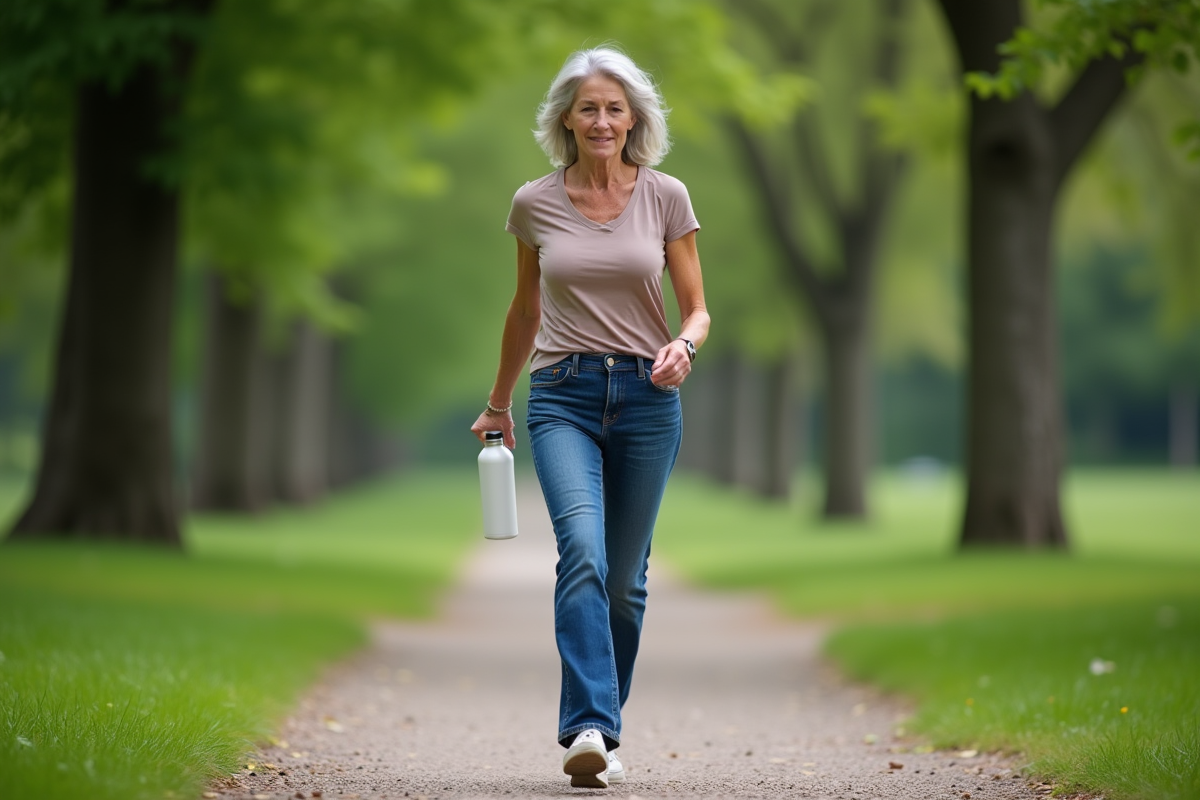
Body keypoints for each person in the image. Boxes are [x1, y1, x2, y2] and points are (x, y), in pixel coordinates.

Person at [470, 45, 709, 789]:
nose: (601, 121)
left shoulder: (666, 196)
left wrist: (683, 346)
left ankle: (601, 725)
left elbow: (698, 310)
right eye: (588, 109)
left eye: (614, 108)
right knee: (581, 552)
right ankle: (590, 730)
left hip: (648, 398)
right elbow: (524, 310)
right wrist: (499, 403)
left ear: (633, 118)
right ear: (566, 120)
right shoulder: (533, 203)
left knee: (625, 583)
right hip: (563, 396)